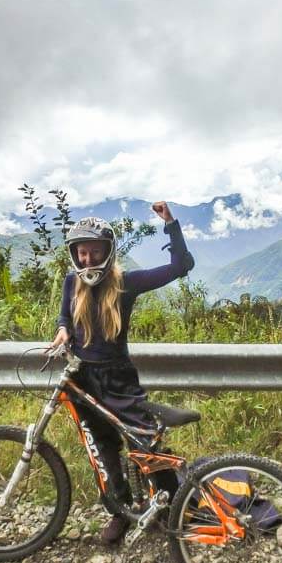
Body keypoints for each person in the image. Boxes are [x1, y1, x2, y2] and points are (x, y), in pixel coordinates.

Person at [49, 200, 195, 545]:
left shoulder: (126, 284)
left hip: (119, 379)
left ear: (107, 252)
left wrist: (170, 223)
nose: (88, 259)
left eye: (94, 252)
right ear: (75, 254)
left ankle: (173, 506)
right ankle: (120, 512)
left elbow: (180, 266)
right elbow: (65, 316)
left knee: (146, 444)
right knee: (103, 451)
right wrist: (63, 329)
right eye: (82, 253)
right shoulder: (71, 283)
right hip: (83, 379)